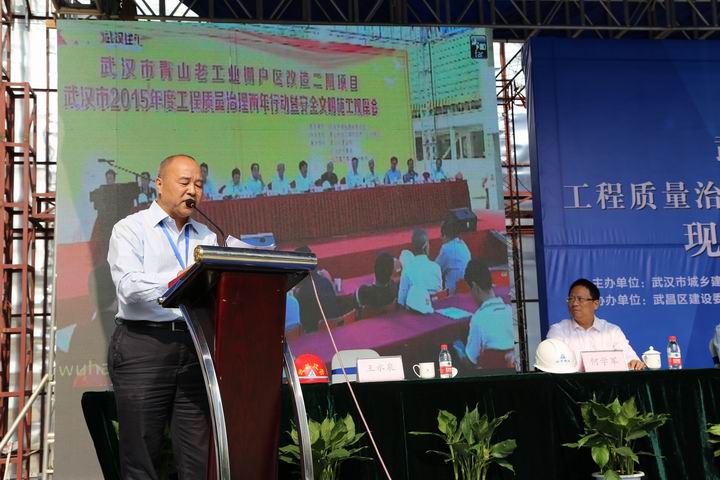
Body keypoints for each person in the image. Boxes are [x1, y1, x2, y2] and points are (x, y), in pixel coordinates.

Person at [107, 154, 218, 479]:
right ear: (159, 184)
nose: (193, 191)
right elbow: (129, 287)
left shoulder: (207, 237)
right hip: (144, 344)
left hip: (195, 346)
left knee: (197, 458)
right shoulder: (131, 228)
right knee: (142, 456)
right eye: (184, 182)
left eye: (199, 184)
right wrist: (182, 281)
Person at [547, 278, 645, 370]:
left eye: (580, 299)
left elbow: (630, 359)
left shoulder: (612, 331)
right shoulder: (558, 331)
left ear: (596, 304)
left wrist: (634, 363)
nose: (574, 303)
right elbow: (552, 364)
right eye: (571, 299)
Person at [457, 259, 514, 367]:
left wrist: (458, 351)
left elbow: (470, 361)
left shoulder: (478, 319)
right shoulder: (511, 312)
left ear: (474, 287)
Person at [292, 246, 343, 333]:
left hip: (316, 334)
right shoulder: (325, 281)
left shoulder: (302, 293)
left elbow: (300, 323)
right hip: (336, 331)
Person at [398, 228, 442, 306]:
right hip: (435, 308)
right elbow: (439, 295)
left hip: (416, 310)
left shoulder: (407, 270)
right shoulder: (436, 268)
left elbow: (401, 301)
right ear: (425, 246)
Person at [435, 219, 471, 294]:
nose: (440, 238)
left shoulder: (446, 248)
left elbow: (435, 269)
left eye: (441, 235)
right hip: (468, 290)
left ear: (445, 236)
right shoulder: (464, 245)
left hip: (453, 294)